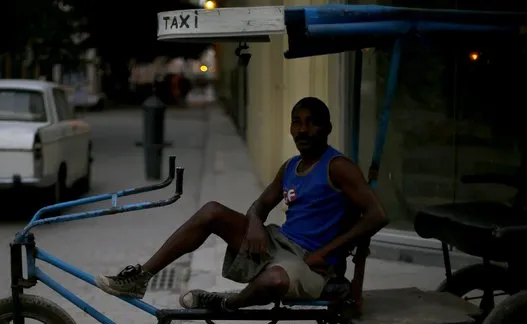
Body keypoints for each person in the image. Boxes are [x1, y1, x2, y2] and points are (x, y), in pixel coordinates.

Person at [96, 97, 389, 311]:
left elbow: (377, 216)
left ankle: (226, 302)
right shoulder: (291, 167)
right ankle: (141, 277)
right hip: (279, 243)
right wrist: (255, 225)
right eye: (296, 122)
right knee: (212, 211)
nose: (303, 130)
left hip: (312, 264)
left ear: (327, 128)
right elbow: (259, 205)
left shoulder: (337, 166)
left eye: (312, 123)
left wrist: (326, 252)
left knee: (274, 281)